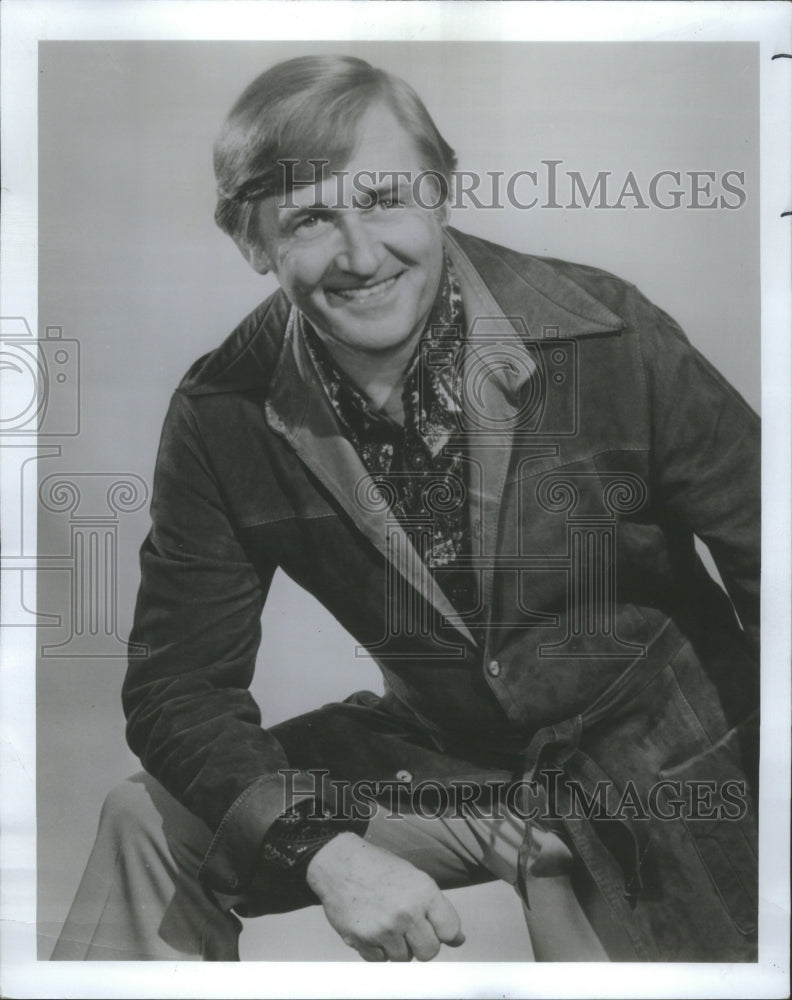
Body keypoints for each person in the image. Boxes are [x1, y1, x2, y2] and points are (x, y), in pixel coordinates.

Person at [52, 54, 759, 963]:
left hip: (667, 765)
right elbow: (177, 688)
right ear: (252, 245)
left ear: (440, 193)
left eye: (385, 198)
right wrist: (323, 848)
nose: (360, 254)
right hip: (450, 763)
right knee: (146, 818)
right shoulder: (221, 411)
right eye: (309, 218)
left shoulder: (610, 332)